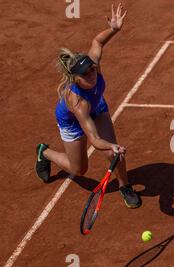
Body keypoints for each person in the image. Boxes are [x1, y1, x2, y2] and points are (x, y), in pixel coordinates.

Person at [35, 3, 142, 208]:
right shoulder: (78, 102)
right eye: (85, 75)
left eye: (92, 70)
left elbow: (97, 41)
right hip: (72, 122)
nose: (91, 75)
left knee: (113, 154)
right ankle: (44, 152)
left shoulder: (93, 64)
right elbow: (93, 138)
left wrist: (114, 29)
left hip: (98, 107)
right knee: (79, 169)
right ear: (75, 78)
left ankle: (124, 186)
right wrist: (110, 144)